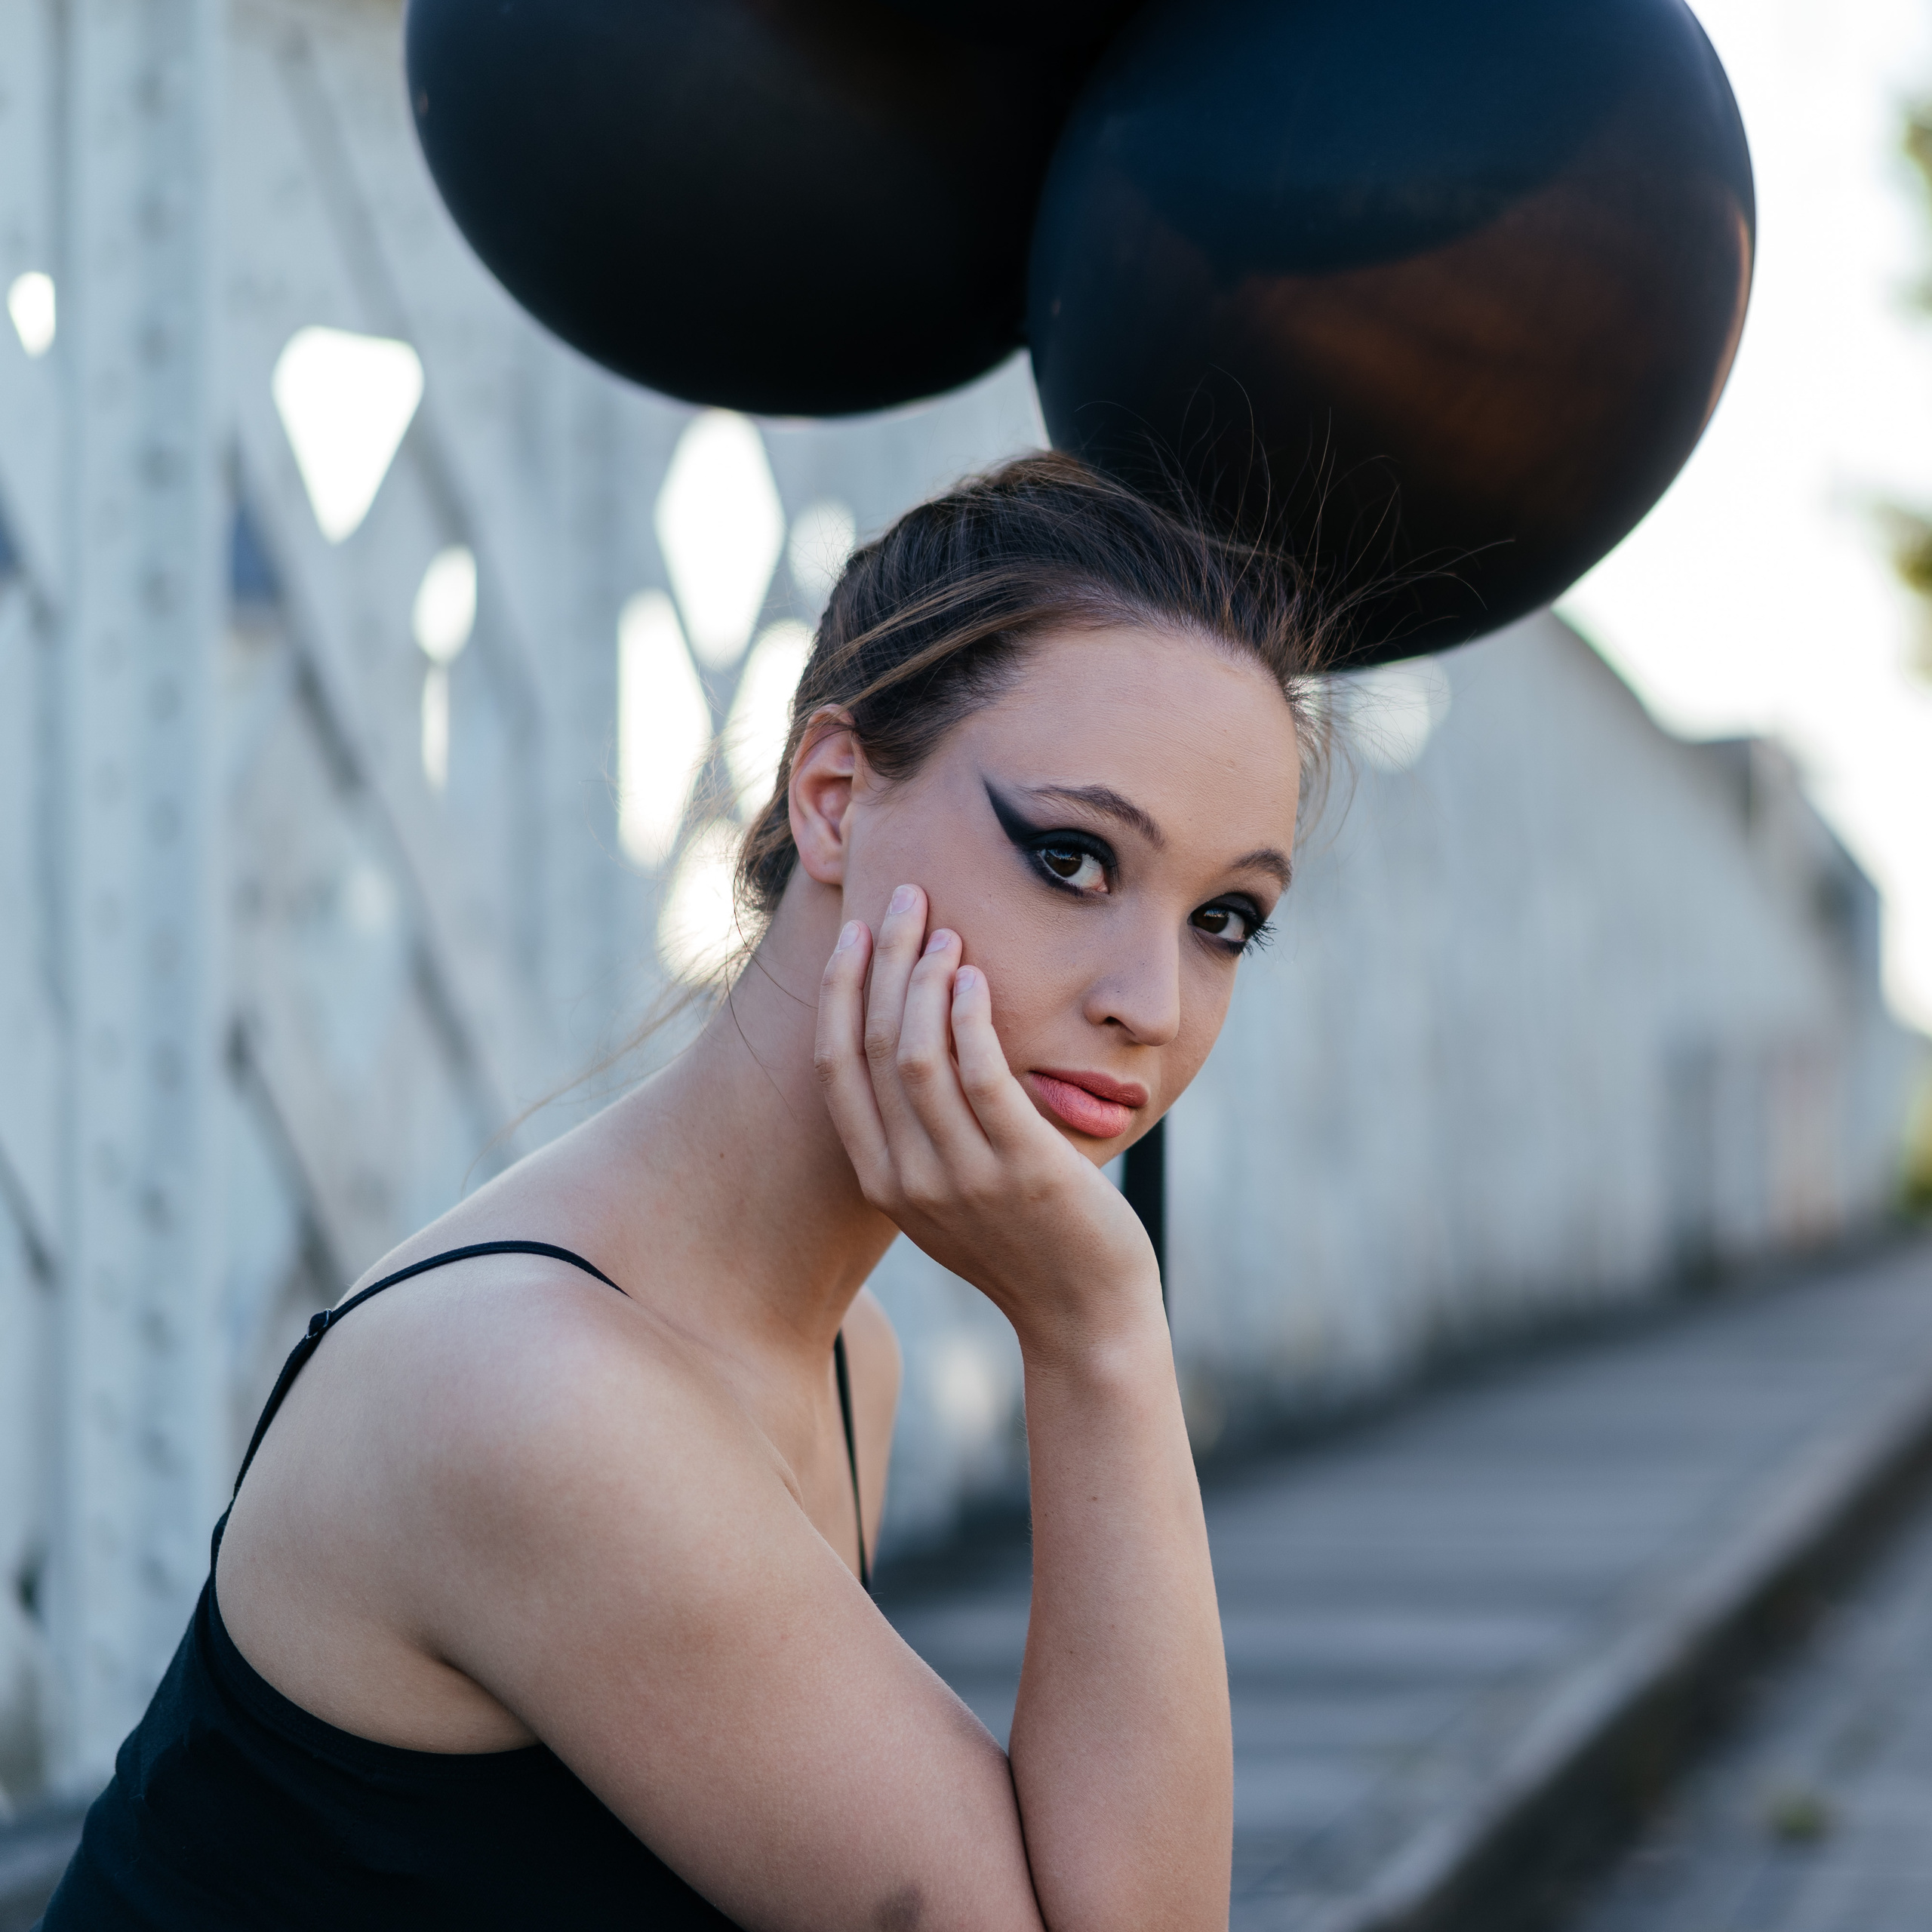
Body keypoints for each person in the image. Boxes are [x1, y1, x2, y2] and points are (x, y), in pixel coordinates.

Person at [39, 453, 1334, 1931]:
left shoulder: (844, 1354)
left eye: (1225, 917)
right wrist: (1099, 1327)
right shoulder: (539, 1396)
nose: (1149, 1001)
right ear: (834, 797)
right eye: (1070, 856)